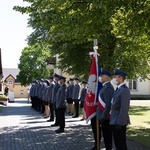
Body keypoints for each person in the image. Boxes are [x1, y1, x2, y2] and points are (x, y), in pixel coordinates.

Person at [91, 69, 114, 150]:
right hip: (100, 114)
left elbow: (108, 104)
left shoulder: (108, 88)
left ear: (107, 77)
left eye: (102, 75)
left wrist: (104, 116)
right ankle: (97, 146)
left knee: (107, 135)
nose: (100, 77)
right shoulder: (104, 86)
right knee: (102, 133)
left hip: (105, 116)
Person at [110, 69, 131, 150]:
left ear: (120, 77)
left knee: (121, 144)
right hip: (114, 119)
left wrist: (120, 122)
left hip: (119, 121)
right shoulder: (118, 89)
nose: (114, 77)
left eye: (115, 76)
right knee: (117, 143)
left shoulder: (124, 90)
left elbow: (124, 108)